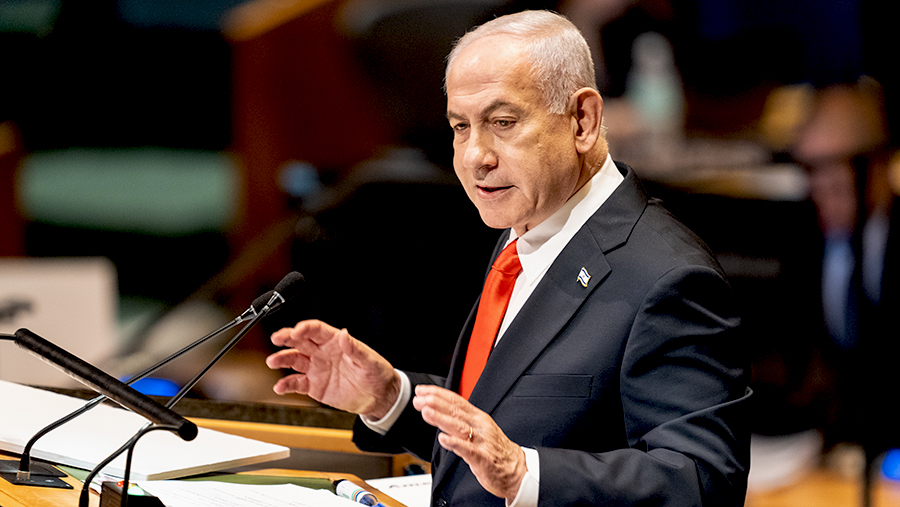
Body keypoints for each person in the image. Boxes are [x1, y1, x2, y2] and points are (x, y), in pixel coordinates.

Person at [266, 10, 750, 506]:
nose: (476, 156)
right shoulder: (524, 226)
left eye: (502, 123)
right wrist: (391, 397)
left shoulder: (670, 280)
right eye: (461, 127)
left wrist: (524, 473)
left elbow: (702, 482)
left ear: (583, 120)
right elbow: (507, 415)